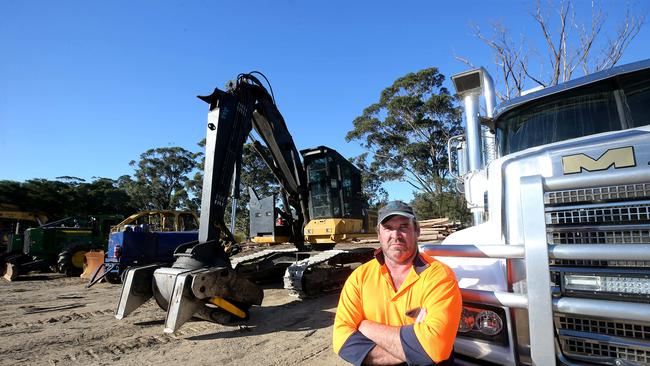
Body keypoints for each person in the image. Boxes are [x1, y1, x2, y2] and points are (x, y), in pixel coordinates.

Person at [333, 201, 462, 365]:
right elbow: (342, 340)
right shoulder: (360, 277)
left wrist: (366, 327)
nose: (396, 235)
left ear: (417, 231)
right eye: (388, 227)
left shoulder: (439, 276)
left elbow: (434, 348)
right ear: (379, 234)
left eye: (403, 227)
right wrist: (414, 348)